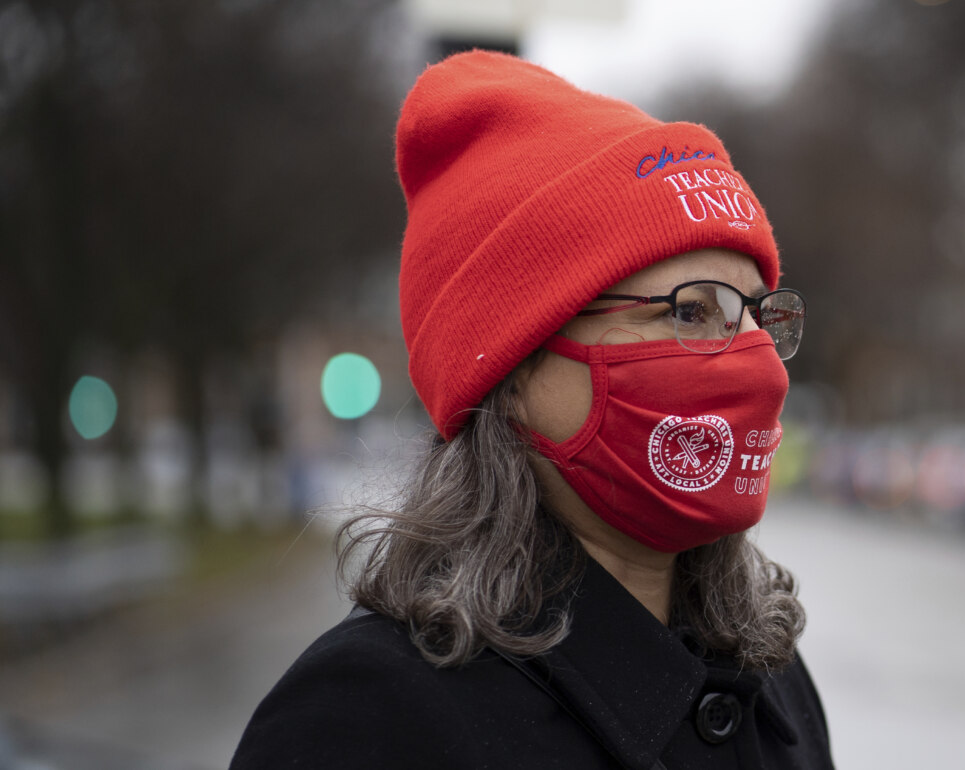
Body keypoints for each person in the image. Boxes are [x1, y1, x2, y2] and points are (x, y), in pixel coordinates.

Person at [233, 51, 832, 769]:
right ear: (513, 367)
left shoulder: (774, 680)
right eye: (691, 310)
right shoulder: (368, 718)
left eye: (758, 315)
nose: (753, 358)